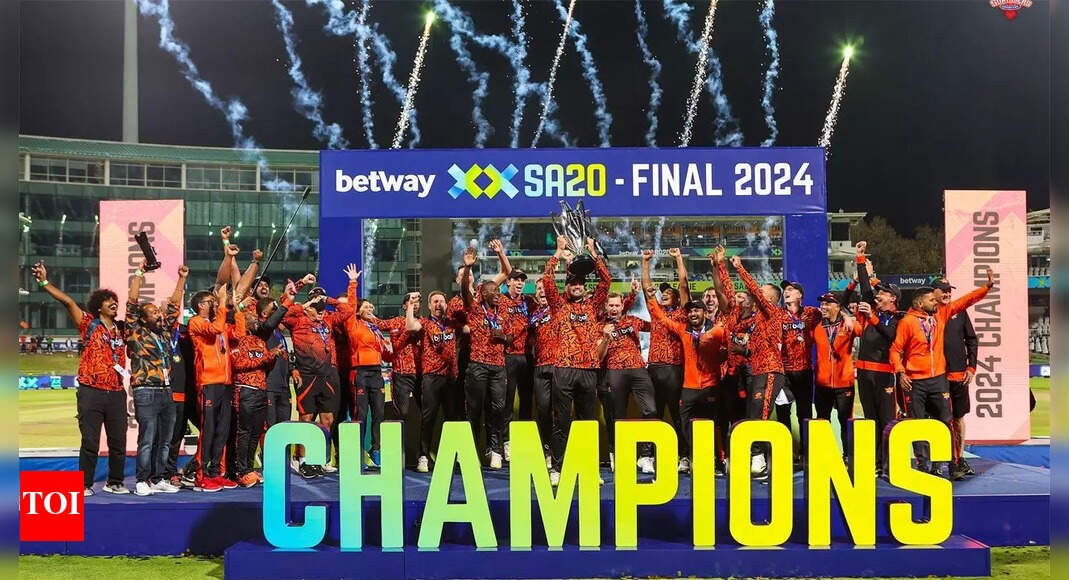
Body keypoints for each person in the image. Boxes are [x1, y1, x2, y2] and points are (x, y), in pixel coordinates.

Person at [32, 261, 129, 496]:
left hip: (117, 392)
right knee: (90, 442)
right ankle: (84, 484)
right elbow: (67, 302)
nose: (114, 303)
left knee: (118, 442)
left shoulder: (122, 329)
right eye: (108, 300)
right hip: (91, 391)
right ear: (98, 307)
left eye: (115, 300)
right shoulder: (88, 324)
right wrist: (44, 282)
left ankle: (115, 482)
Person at [890, 268, 993, 478]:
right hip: (915, 382)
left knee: (946, 421)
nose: (936, 302)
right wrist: (901, 372)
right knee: (918, 424)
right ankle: (923, 466)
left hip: (938, 379)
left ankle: (947, 464)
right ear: (920, 303)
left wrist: (986, 287)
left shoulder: (942, 314)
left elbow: (966, 301)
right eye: (932, 300)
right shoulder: (908, 322)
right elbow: (895, 350)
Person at [543, 235, 610, 485]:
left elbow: (606, 281)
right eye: (572, 283)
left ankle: (588, 469)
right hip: (564, 368)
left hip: (589, 369)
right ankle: (558, 468)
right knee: (561, 421)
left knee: (587, 422)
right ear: (567, 287)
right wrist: (558, 252)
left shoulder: (593, 306)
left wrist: (593, 253)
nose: (577, 286)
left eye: (580, 283)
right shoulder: (559, 306)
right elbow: (547, 280)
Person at [646, 291, 728, 475]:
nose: (693, 314)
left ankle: (716, 460)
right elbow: (661, 317)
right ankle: (694, 458)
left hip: (710, 387)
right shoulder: (683, 330)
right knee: (685, 425)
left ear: (704, 312)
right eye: (690, 311)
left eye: (697, 310)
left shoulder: (717, 331)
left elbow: (730, 349)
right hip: (688, 388)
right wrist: (651, 298)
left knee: (711, 425)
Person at [124, 261, 187, 496]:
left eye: (158, 312)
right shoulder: (135, 331)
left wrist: (181, 278)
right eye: (153, 312)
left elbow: (174, 306)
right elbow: (132, 302)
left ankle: (158, 478)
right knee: (147, 438)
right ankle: (142, 480)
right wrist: (139, 272)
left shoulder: (164, 332)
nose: (159, 314)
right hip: (146, 389)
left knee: (166, 440)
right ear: (142, 318)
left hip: (166, 389)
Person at [284, 275, 354, 477]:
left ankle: (319, 458)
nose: (320, 310)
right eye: (317, 306)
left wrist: (328, 300)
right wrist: (306, 303)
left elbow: (348, 310)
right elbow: (284, 312)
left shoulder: (329, 320)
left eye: (322, 306)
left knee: (328, 419)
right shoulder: (297, 320)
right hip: (307, 375)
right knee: (306, 418)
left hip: (328, 375)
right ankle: (302, 460)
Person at [729, 254, 790, 480]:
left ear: (770, 299)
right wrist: (741, 349)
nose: (757, 295)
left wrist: (740, 268)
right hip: (759, 370)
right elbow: (734, 328)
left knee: (761, 412)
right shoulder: (756, 320)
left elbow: (753, 290)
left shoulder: (772, 312)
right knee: (753, 413)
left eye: (762, 293)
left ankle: (761, 459)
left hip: (771, 370)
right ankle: (758, 456)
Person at [852, 241, 904, 477]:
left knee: (886, 420)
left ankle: (889, 463)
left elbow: (890, 336)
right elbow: (865, 287)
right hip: (864, 373)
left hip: (884, 374)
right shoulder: (873, 309)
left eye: (883, 293)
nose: (878, 295)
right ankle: (874, 461)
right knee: (870, 419)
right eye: (879, 292)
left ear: (893, 298)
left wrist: (872, 318)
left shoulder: (898, 318)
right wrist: (860, 258)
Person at [459, 246, 513, 468]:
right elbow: (465, 291)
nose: (498, 294)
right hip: (478, 366)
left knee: (498, 408)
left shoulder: (504, 312)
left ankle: (495, 449)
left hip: (498, 367)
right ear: (483, 294)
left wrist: (503, 337)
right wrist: (468, 267)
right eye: (493, 292)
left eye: (498, 291)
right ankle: (471, 450)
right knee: (474, 409)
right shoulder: (475, 310)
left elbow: (511, 337)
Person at [640, 247, 692, 469]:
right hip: (653, 368)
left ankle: (684, 456)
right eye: (663, 292)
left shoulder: (682, 314)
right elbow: (646, 288)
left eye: (668, 292)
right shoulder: (656, 313)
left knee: (678, 414)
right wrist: (644, 261)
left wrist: (678, 258)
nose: (664, 294)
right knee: (653, 413)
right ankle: (648, 456)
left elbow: (684, 285)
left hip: (674, 369)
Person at [230, 294, 288, 487]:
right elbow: (240, 364)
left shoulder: (259, 340)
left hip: (261, 389)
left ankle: (250, 468)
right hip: (245, 390)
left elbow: (264, 365)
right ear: (243, 321)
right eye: (251, 318)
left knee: (256, 432)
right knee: (244, 432)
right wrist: (268, 357)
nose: (256, 320)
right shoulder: (238, 340)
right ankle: (241, 471)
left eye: (256, 317)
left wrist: (273, 357)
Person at [596, 282, 652, 473]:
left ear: (622, 306)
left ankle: (645, 456)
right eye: (610, 305)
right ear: (606, 307)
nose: (614, 308)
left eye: (617, 305)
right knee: (617, 416)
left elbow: (656, 326)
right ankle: (618, 454)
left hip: (638, 369)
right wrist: (606, 337)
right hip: (614, 371)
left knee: (650, 410)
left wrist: (645, 294)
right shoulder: (600, 326)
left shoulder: (633, 320)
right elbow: (599, 357)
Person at [407, 290, 460, 472]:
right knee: (428, 418)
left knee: (452, 418)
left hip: (451, 377)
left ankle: (454, 455)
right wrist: (410, 305)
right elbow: (410, 327)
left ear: (446, 305)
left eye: (441, 301)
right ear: (429, 306)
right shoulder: (425, 323)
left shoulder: (452, 323)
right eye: (435, 301)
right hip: (431, 377)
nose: (439, 304)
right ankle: (423, 455)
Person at [935, 278, 979, 480]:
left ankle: (959, 459)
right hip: (936, 376)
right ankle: (938, 462)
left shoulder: (959, 311)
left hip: (959, 374)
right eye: (943, 290)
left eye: (949, 291)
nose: (947, 294)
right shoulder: (928, 313)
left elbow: (972, 340)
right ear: (934, 292)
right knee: (938, 419)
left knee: (958, 417)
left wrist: (971, 367)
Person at [811, 292, 863, 456]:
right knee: (822, 421)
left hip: (844, 383)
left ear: (837, 306)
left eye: (827, 303)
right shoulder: (818, 327)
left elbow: (860, 330)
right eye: (822, 303)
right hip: (822, 383)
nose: (823, 306)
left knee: (845, 421)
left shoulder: (847, 326)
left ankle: (848, 456)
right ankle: (823, 455)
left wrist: (847, 317)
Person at [498, 245, 537, 464]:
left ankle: (523, 440)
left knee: (526, 400)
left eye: (522, 280)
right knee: (506, 402)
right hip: (508, 356)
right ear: (508, 283)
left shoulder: (529, 302)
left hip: (527, 357)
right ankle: (506, 442)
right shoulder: (501, 301)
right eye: (516, 279)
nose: (520, 283)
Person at [778, 278, 822, 466]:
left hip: (804, 371)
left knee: (804, 413)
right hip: (783, 372)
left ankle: (806, 453)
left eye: (790, 289)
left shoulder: (812, 313)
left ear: (800, 295)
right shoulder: (778, 314)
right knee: (783, 413)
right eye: (785, 290)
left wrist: (845, 316)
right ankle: (786, 452)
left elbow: (834, 311)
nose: (786, 292)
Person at [528, 279, 557, 467]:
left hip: (559, 365)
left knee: (560, 412)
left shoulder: (558, 308)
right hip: (539, 367)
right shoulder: (533, 314)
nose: (542, 291)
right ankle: (547, 450)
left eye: (545, 288)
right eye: (539, 288)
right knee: (543, 410)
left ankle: (561, 451)